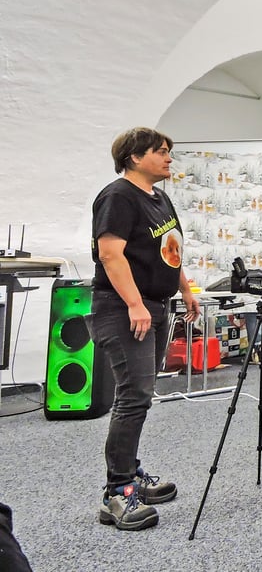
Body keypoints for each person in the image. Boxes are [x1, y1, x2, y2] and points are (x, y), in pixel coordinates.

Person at [90, 127, 200, 531]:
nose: (169, 159)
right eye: (162, 152)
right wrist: (135, 303)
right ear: (135, 157)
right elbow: (109, 253)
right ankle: (117, 493)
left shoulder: (160, 198)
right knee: (133, 396)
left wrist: (184, 289)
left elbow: (169, 249)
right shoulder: (118, 196)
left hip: (156, 305)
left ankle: (131, 473)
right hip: (122, 309)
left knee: (142, 394)